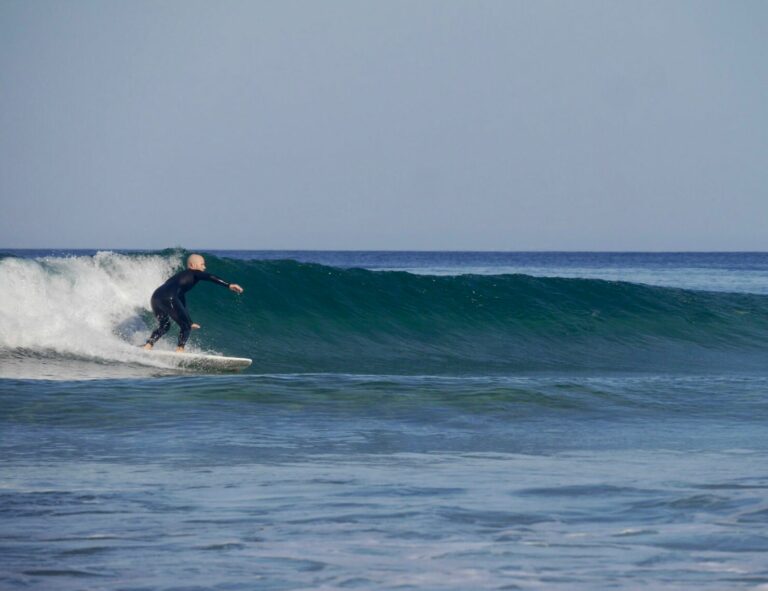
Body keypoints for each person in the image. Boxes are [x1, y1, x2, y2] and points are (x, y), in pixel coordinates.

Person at [143, 254, 244, 353]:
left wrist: (190, 321)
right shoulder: (194, 272)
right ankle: (180, 350)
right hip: (169, 297)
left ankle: (148, 345)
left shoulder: (178, 279)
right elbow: (209, 277)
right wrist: (228, 285)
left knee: (164, 325)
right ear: (192, 265)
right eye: (202, 264)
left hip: (156, 297)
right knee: (185, 326)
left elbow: (181, 303)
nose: (204, 267)